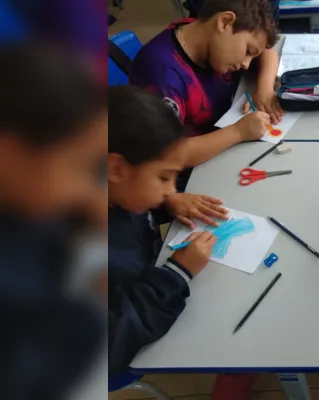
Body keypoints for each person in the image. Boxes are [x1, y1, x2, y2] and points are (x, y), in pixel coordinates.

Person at [0, 44, 107, 399]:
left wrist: (79, 218)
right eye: (78, 168)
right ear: (9, 153)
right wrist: (90, 309)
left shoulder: (25, 198)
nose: (84, 189)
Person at [108, 86, 229, 376]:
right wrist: (176, 275)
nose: (171, 189)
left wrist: (165, 203)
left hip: (151, 291)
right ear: (115, 168)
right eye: (164, 177)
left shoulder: (114, 193)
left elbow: (133, 213)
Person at [129, 0, 281, 169]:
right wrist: (238, 132)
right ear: (225, 22)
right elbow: (168, 154)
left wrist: (265, 88)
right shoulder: (163, 76)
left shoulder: (199, 29)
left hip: (221, 149)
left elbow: (267, 51)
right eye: (247, 52)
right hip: (187, 174)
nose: (246, 64)